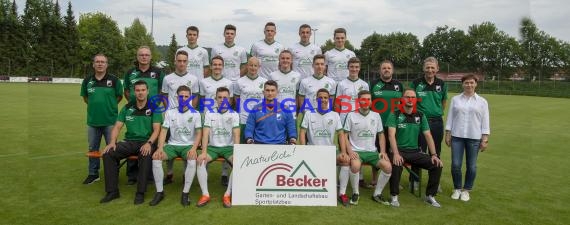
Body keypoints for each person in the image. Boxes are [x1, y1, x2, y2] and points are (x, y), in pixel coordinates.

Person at [100, 80, 162, 205]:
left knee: (145, 155)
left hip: (147, 142)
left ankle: (140, 193)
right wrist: (112, 142)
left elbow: (157, 130)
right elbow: (117, 127)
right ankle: (112, 191)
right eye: (138, 90)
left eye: (143, 90)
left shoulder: (154, 107)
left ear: (147, 91)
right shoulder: (127, 107)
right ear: (134, 92)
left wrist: (149, 143)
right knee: (109, 153)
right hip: (130, 142)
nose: (140, 93)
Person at [386, 89, 443, 208]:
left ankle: (430, 196)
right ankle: (394, 196)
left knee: (437, 164)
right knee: (396, 164)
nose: (410, 99)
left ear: (416, 99)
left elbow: (428, 135)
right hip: (399, 150)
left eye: (413, 97)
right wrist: (396, 153)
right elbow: (391, 135)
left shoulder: (420, 115)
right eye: (407, 97)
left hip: (415, 151)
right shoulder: (395, 113)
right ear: (402, 99)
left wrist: (434, 155)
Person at [148, 86, 202, 206]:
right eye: (181, 96)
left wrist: (194, 148)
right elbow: (163, 131)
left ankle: (185, 193)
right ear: (177, 97)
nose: (183, 98)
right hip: (172, 145)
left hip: (188, 146)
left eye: (186, 96)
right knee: (156, 158)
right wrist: (160, 148)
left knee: (192, 160)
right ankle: (159, 192)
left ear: (190, 98)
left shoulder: (196, 114)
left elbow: (199, 134)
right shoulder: (170, 112)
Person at [299, 88, 350, 205]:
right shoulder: (308, 114)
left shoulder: (335, 115)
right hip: (313, 151)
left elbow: (341, 134)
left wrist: (343, 151)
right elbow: (302, 132)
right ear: (316, 99)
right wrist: (302, 149)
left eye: (325, 97)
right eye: (320, 97)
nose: (323, 99)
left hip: (330, 152)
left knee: (345, 161)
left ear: (329, 100)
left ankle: (342, 193)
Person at [123, 46, 165, 185]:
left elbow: (161, 90)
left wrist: (155, 104)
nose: (144, 57)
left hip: (153, 109)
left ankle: (149, 175)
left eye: (146, 55)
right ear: (137, 57)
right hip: (136, 109)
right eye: (141, 55)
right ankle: (132, 175)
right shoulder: (130, 72)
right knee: (133, 136)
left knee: (152, 137)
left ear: (151, 57)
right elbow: (127, 91)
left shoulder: (158, 72)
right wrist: (133, 103)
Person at [341, 90, 392, 206]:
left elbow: (381, 135)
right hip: (356, 152)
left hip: (372, 152)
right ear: (359, 101)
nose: (366, 102)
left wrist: (383, 151)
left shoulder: (376, 115)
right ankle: (355, 193)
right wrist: (350, 151)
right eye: (363, 99)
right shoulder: (351, 115)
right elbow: (345, 135)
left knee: (388, 167)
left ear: (371, 102)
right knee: (355, 165)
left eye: (368, 99)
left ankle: (377, 194)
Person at [445, 74, 490, 202]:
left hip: (474, 137)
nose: (469, 85)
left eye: (471, 83)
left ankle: (466, 190)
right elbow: (450, 117)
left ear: (476, 84)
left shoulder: (482, 101)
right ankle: (457, 188)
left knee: (471, 166)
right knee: (455, 164)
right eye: (466, 83)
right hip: (457, 136)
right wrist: (447, 133)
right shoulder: (455, 99)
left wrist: (485, 138)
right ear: (462, 84)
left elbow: (485, 121)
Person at [80, 54, 123, 184]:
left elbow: (119, 97)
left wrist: (108, 106)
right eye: (97, 62)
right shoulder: (87, 80)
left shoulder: (114, 80)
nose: (100, 64)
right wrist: (96, 107)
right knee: (93, 148)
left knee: (112, 148)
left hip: (110, 121)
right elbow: (86, 98)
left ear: (107, 64)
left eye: (102, 62)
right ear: (93, 64)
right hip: (93, 121)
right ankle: (93, 174)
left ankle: (114, 172)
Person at [160, 50, 200, 185]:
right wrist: (168, 109)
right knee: (170, 144)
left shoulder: (193, 79)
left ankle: (185, 174)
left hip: (187, 117)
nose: (182, 63)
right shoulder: (167, 78)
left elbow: (195, 97)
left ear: (187, 63)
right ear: (175, 61)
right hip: (172, 117)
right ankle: (169, 173)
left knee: (185, 143)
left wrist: (191, 110)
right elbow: (164, 95)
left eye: (184, 61)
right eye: (179, 60)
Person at [196, 87, 240, 208]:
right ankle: (205, 194)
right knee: (200, 161)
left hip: (228, 148)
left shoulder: (234, 114)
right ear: (215, 99)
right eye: (219, 97)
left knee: (238, 163)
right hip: (213, 148)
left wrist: (237, 153)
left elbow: (236, 135)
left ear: (229, 99)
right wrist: (204, 152)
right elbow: (205, 135)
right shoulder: (209, 113)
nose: (222, 100)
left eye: (225, 97)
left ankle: (227, 194)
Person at [409, 56, 447, 190]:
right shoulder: (416, 83)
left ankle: (434, 182)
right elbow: (410, 101)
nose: (430, 70)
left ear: (437, 69)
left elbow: (443, 103)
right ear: (423, 69)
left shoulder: (441, 84)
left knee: (436, 151)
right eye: (427, 67)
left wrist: (435, 113)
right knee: (418, 152)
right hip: (419, 123)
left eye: (432, 67)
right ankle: (415, 180)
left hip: (436, 123)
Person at [199, 55, 235, 186]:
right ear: (211, 66)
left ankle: (224, 174)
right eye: (215, 64)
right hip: (208, 118)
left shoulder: (229, 83)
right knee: (208, 146)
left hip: (224, 117)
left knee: (225, 142)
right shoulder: (204, 82)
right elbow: (202, 101)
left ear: (223, 66)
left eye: (220, 64)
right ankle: (205, 174)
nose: (217, 67)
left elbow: (230, 102)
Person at [369, 60, 404, 187]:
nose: (386, 70)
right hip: (377, 125)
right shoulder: (373, 84)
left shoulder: (399, 85)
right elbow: (367, 102)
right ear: (380, 70)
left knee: (394, 151)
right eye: (384, 68)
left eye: (389, 68)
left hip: (394, 126)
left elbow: (402, 105)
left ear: (392, 70)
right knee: (377, 152)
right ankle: (374, 179)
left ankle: (394, 180)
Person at [244, 80, 297, 145]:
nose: (270, 93)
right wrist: (250, 141)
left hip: (280, 145)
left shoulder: (286, 109)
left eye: (272, 90)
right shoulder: (255, 109)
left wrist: (293, 140)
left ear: (277, 92)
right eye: (267, 90)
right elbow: (249, 128)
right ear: (263, 92)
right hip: (259, 145)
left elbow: (291, 128)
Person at [234, 57, 267, 142]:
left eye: (255, 65)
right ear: (247, 66)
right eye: (251, 65)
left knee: (259, 144)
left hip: (260, 118)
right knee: (243, 145)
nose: (253, 67)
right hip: (244, 118)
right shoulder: (240, 81)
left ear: (259, 67)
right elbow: (237, 98)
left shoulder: (264, 81)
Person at [269, 50, 301, 116]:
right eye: (283, 58)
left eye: (287, 58)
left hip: (291, 113)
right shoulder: (272, 75)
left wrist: (297, 111)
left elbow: (297, 96)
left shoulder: (297, 76)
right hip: (276, 113)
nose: (285, 60)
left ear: (291, 60)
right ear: (279, 60)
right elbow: (269, 96)